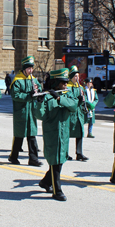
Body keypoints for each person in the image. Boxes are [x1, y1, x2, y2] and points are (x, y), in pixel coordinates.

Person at [34, 68, 77, 201]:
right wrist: (39, 102)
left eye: (66, 83)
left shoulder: (67, 95)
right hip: (52, 133)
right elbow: (40, 115)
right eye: (62, 83)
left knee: (61, 160)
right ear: (55, 83)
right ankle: (57, 190)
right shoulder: (46, 97)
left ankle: (46, 182)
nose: (65, 85)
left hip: (64, 133)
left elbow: (74, 106)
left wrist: (59, 97)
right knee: (54, 161)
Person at [9, 56, 43, 167]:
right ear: (24, 69)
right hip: (22, 112)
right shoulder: (17, 80)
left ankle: (33, 159)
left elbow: (39, 90)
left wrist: (39, 94)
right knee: (19, 136)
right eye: (28, 68)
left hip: (31, 111)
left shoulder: (33, 79)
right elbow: (16, 95)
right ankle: (13, 156)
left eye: (31, 68)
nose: (30, 70)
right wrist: (29, 95)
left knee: (32, 135)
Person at [66, 65, 89, 161]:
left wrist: (85, 101)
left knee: (80, 133)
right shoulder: (68, 87)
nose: (77, 78)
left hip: (79, 113)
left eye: (78, 76)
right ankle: (65, 153)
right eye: (75, 76)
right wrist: (77, 99)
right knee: (67, 134)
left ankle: (79, 153)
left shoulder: (80, 87)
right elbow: (69, 99)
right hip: (70, 114)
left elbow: (84, 99)